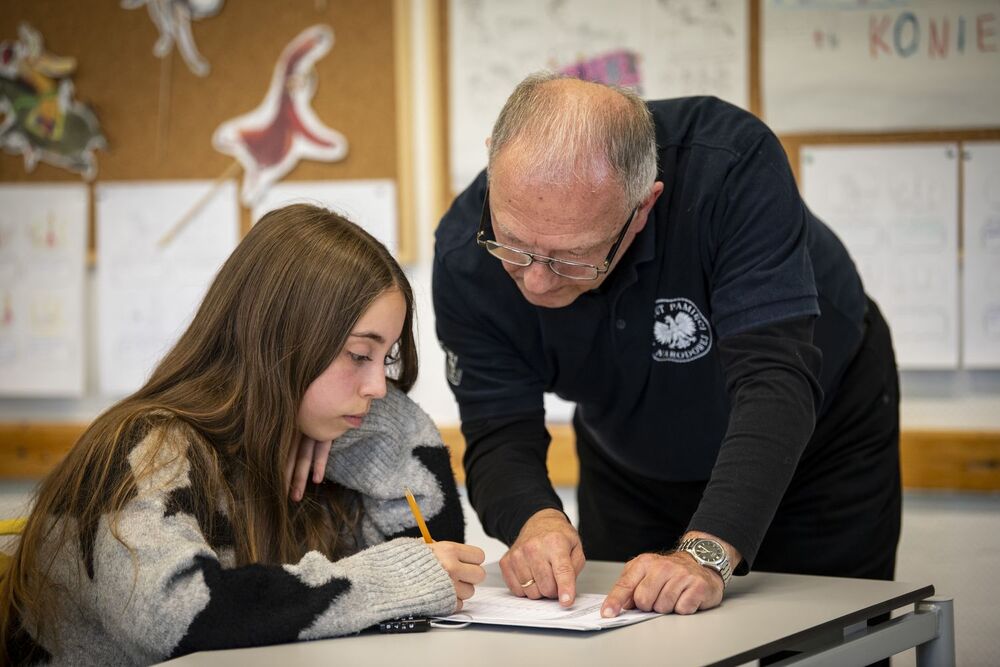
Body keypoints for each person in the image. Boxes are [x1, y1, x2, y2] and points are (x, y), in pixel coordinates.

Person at [433, 73, 900, 620]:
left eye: (574, 258)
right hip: (631, 451)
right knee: (627, 631)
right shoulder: (466, 254)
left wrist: (705, 553)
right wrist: (535, 521)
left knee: (816, 640)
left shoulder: (729, 166)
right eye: (513, 245)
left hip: (814, 435)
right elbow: (498, 427)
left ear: (644, 205)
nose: (536, 282)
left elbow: (774, 379)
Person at [1, 204, 486, 664]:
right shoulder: (144, 447)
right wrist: (392, 580)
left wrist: (384, 430)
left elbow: (442, 568)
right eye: (360, 355)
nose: (379, 387)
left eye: (389, 359)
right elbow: (180, 615)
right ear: (279, 339)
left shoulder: (318, 450)